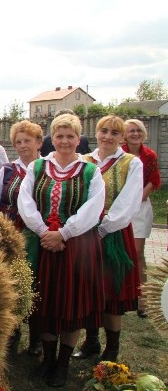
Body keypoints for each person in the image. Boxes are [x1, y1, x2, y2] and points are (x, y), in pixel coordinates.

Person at [17, 113, 105, 388]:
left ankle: (63, 363)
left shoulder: (91, 170)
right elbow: (26, 201)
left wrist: (64, 233)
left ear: (78, 140)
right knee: (46, 303)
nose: (65, 141)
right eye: (59, 136)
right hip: (44, 244)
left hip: (76, 247)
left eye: (70, 136)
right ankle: (47, 359)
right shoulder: (38, 167)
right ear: (50, 139)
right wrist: (44, 232)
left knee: (70, 303)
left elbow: (94, 208)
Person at [72, 115, 142, 363]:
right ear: (96, 133)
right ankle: (91, 341)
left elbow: (128, 202)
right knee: (89, 288)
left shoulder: (131, 163)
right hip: (86, 233)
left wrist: (103, 228)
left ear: (122, 137)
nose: (108, 136)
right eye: (104, 131)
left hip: (113, 233)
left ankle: (112, 349)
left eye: (114, 132)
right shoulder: (84, 161)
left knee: (112, 292)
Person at [0, 120, 43, 356]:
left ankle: (37, 338)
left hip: (37, 237)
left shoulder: (47, 169)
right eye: (18, 141)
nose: (22, 146)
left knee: (36, 285)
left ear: (39, 142)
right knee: (10, 286)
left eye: (28, 140)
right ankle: (11, 334)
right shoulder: (8, 170)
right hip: (9, 235)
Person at [122, 119, 161, 318]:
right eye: (131, 131)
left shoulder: (150, 156)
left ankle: (142, 300)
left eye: (138, 130)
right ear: (124, 134)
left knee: (138, 253)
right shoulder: (119, 154)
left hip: (140, 208)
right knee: (120, 253)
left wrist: (137, 198)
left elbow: (154, 180)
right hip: (119, 208)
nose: (135, 134)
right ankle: (120, 296)